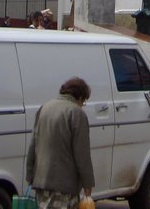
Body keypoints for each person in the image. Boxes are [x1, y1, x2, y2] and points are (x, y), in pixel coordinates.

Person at [26, 77, 95, 209]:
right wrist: (88, 184)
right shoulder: (76, 113)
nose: (82, 105)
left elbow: (33, 145)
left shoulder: (44, 108)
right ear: (80, 97)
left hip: (41, 183)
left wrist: (30, 175)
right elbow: (82, 155)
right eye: (84, 101)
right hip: (64, 186)